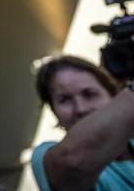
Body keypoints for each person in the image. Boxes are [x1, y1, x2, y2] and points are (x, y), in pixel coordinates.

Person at [30, 55, 134, 191]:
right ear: (54, 111)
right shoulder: (45, 156)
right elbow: (74, 163)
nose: (81, 108)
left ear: (113, 94)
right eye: (65, 99)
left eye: (89, 94)